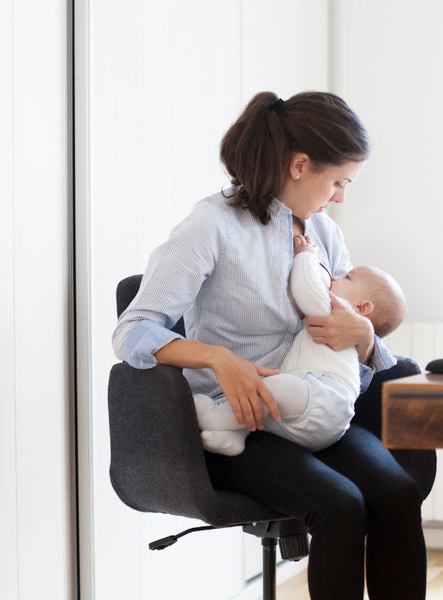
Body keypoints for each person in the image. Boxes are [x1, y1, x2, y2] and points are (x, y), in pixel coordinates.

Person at [112, 91, 426, 599]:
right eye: (340, 181)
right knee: (340, 506)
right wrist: (218, 359)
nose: (342, 196)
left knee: (396, 493)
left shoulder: (324, 233)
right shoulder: (209, 227)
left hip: (318, 411)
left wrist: (367, 341)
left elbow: (351, 330)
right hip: (244, 420)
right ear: (301, 165)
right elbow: (133, 330)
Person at [194, 233, 406, 456]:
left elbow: (307, 290)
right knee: (269, 402)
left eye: (347, 278)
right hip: (303, 420)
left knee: (271, 390)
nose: (335, 277)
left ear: (361, 308)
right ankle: (233, 436)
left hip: (324, 395)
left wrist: (306, 256)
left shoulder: (338, 310)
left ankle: (216, 416)